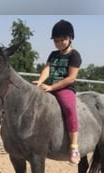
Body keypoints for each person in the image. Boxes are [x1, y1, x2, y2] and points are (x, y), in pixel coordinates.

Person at [33, 19, 82, 164]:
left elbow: (71, 78)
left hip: (65, 88)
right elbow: (47, 69)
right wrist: (40, 81)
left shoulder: (75, 55)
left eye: (62, 40)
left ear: (70, 38)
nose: (59, 43)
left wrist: (52, 88)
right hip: (50, 86)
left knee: (69, 108)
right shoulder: (53, 54)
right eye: (56, 40)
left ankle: (74, 146)